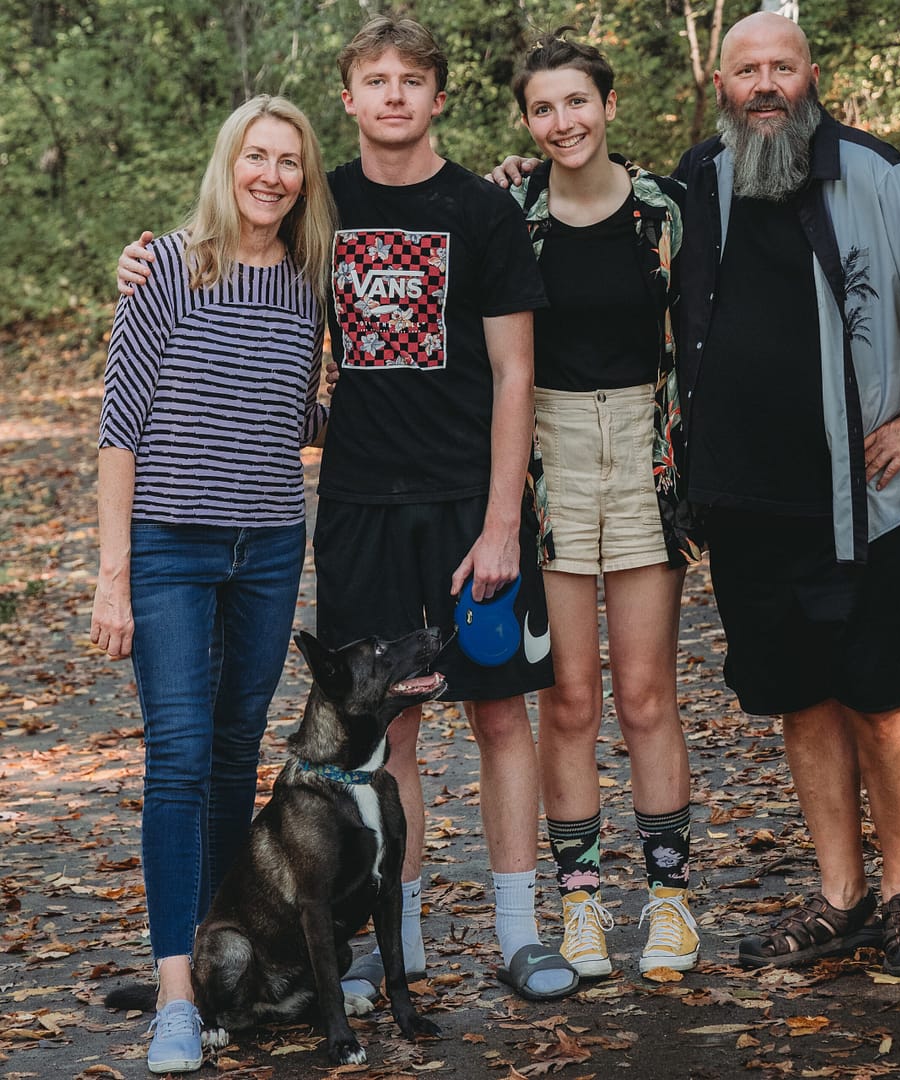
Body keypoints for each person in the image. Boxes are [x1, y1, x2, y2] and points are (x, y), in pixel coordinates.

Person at [495, 11, 900, 977]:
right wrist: (513, 182)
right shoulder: (700, 182)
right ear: (720, 85)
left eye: (781, 67)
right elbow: (600, 206)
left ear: (811, 75)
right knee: (802, 697)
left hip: (867, 494)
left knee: (884, 698)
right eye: (746, 71)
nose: (764, 84)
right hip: (744, 503)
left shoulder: (875, 173)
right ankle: (839, 896)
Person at [118, 15, 578, 1005]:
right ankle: (399, 944)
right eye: (378, 80)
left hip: (467, 505)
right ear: (351, 98)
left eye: (415, 80)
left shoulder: (482, 213)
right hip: (360, 505)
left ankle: (519, 931)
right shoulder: (324, 214)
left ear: (439, 96)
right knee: (389, 737)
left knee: (502, 717)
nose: (397, 95)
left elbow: (514, 372)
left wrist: (504, 521)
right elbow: (232, 261)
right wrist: (145, 262)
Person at [92, 94, 335, 1073]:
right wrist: (113, 574)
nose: (271, 175)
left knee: (237, 752)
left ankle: (231, 962)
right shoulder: (170, 269)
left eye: (290, 162)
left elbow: (296, 413)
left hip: (270, 544)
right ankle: (178, 992)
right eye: (256, 156)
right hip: (167, 548)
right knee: (180, 756)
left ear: (305, 179)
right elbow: (120, 427)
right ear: (228, 163)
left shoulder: (309, 281)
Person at [505, 31, 700, 979]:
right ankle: (581, 904)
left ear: (609, 106)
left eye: (576, 102)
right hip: (548, 459)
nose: (562, 122)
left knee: (645, 694)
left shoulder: (664, 211)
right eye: (543, 108)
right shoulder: (512, 212)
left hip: (645, 453)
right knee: (571, 699)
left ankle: (669, 903)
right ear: (529, 123)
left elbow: (702, 333)